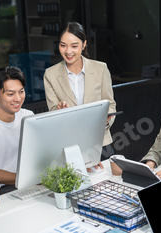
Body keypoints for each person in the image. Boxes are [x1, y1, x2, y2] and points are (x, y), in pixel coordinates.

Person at [43, 22, 116, 171]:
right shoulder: (50, 74)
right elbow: (52, 113)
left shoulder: (100, 69)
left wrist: (106, 122)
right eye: (63, 45)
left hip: (100, 144)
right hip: (68, 148)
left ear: (84, 45)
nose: (68, 51)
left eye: (74, 46)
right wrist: (58, 108)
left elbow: (110, 104)